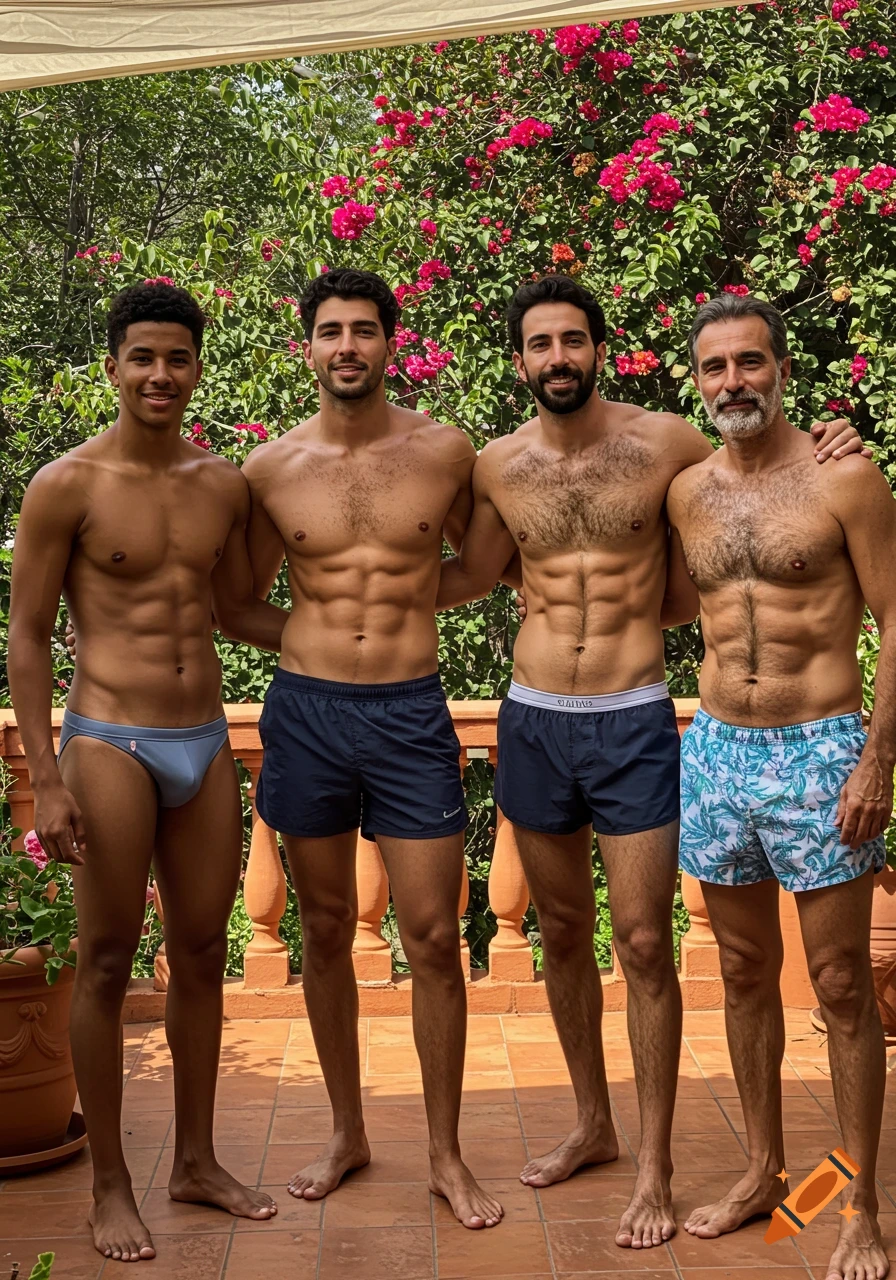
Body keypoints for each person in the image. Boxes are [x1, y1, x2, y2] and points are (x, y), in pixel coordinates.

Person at [435, 274, 867, 1250]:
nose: (557, 358)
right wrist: (355, 565)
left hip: (636, 713)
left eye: (573, 341)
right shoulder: (495, 466)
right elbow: (466, 572)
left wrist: (840, 438)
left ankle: (656, 1162)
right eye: (538, 343)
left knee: (640, 941)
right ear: (518, 360)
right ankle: (593, 1120)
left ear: (598, 347)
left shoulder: (669, 443)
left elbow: (732, 532)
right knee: (559, 931)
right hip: (536, 711)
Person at [8, 282, 290, 1264]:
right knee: (104, 953)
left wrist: (351, 637)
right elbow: (31, 637)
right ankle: (112, 1182)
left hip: (203, 738)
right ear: (113, 366)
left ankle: (197, 1160)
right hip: (109, 738)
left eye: (177, 358)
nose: (160, 374)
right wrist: (45, 774)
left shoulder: (222, 485)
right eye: (142, 358)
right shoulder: (67, 486)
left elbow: (235, 610)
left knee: (205, 949)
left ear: (195, 366)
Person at [240, 268, 507, 1229]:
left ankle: (444, 1153)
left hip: (409, 713)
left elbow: (480, 565)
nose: (345, 346)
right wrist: (319, 635)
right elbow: (238, 598)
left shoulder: (444, 452)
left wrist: (391, 616)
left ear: (391, 342)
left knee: (435, 937)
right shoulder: (270, 469)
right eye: (329, 332)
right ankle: (348, 1130)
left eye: (363, 330)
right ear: (306, 347)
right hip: (307, 714)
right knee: (320, 930)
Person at [667, 292, 891, 1280]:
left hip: (818, 748)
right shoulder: (687, 491)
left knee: (841, 983)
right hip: (715, 747)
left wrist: (876, 757)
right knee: (740, 968)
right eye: (713, 367)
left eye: (748, 362)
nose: (732, 382)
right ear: (697, 379)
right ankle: (762, 1169)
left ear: (781, 369)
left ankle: (858, 1207)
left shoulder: (843, 476)